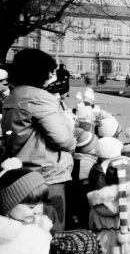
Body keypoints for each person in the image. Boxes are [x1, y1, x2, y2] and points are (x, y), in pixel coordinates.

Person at [2, 49, 76, 230]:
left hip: (23, 170)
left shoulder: (14, 96)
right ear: (40, 71)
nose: (51, 75)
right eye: (50, 71)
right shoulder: (40, 98)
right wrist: (73, 139)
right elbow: (63, 140)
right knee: (53, 228)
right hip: (47, 173)